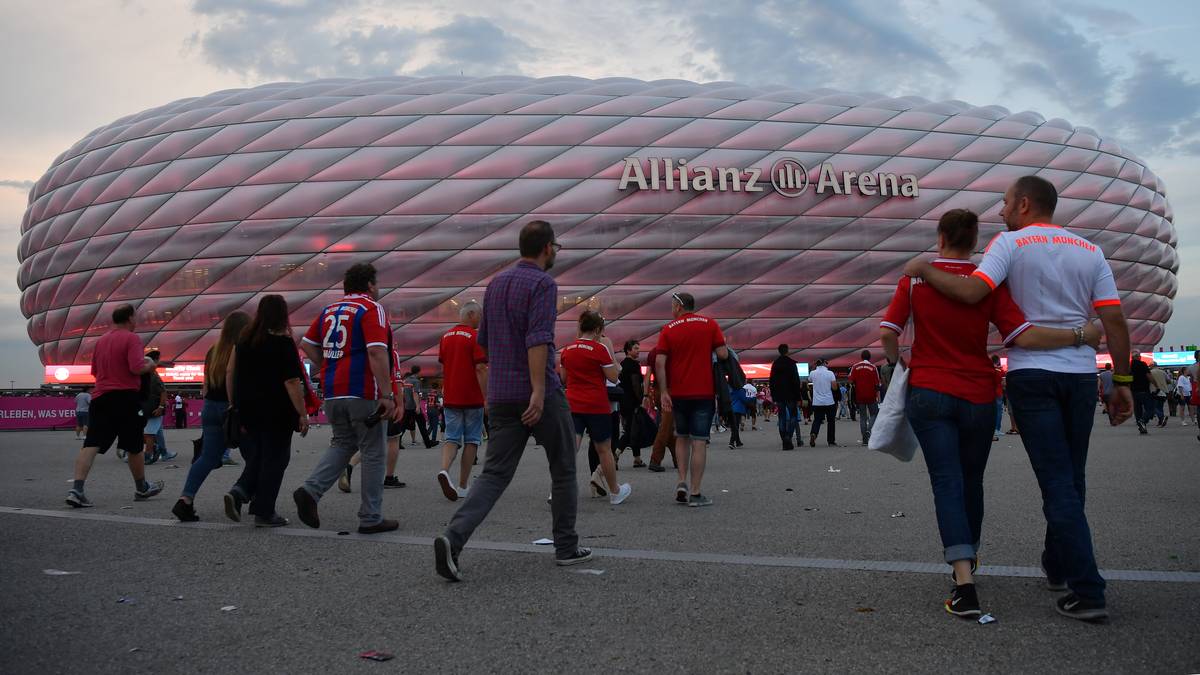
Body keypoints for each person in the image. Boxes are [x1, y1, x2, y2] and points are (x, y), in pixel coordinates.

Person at [903, 176, 1134, 622]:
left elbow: (972, 291)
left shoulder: (1008, 245)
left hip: (1033, 376)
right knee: (1071, 476)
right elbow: (1114, 320)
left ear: (1025, 204)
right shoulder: (1090, 250)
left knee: (1056, 482)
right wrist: (1121, 379)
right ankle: (1059, 563)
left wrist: (925, 268)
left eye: (1006, 203)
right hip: (1081, 377)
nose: (1001, 211)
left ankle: (1088, 591)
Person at [435, 220, 591, 582]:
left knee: (493, 475)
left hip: (502, 394)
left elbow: (485, 342)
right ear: (548, 248)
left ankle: (452, 539)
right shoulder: (542, 283)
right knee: (564, 467)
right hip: (539, 393)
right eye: (557, 247)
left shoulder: (496, 284)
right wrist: (538, 390)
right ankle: (566, 547)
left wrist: (494, 390)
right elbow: (538, 340)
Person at [294, 263, 400, 534]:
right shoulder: (371, 308)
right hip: (362, 390)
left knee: (342, 444)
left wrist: (330, 364)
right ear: (370, 285)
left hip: (333, 390)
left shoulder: (330, 310)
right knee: (374, 452)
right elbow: (377, 353)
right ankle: (370, 516)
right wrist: (387, 394)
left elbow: (306, 343)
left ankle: (311, 490)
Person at [221, 296, 308, 527]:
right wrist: (302, 412)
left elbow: (231, 373)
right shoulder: (283, 343)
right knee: (275, 459)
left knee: (260, 455)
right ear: (283, 315)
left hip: (249, 409)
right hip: (277, 411)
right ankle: (264, 512)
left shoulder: (244, 341)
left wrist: (233, 404)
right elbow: (291, 382)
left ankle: (240, 490)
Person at [66, 304, 165, 508]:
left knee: (91, 444)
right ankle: (141, 487)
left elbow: (94, 371)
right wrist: (151, 365)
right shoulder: (131, 338)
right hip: (126, 398)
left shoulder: (101, 341)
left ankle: (77, 489)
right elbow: (136, 367)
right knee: (134, 445)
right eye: (135, 317)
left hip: (101, 397)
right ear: (130, 318)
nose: (136, 321)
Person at [172, 310, 252, 522]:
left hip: (210, 407)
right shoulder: (242, 349)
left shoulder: (212, 351)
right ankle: (247, 496)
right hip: (233, 409)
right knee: (254, 457)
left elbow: (205, 386)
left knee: (207, 457)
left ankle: (185, 500)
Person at [655, 291, 730, 507]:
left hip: (678, 392)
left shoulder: (668, 329)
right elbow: (723, 354)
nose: (671, 310)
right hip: (703, 392)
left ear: (679, 306)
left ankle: (681, 481)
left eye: (672, 305)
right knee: (699, 441)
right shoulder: (710, 324)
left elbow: (660, 363)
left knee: (681, 437)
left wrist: (663, 391)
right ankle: (696, 493)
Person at [562, 311, 631, 504]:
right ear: (598, 329)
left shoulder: (567, 349)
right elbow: (613, 378)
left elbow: (563, 379)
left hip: (573, 404)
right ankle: (615, 492)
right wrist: (615, 366)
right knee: (604, 450)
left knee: (570, 449)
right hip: (596, 405)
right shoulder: (599, 349)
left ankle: (557, 490)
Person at [436, 301, 488, 501]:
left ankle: (444, 470)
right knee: (472, 440)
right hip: (472, 397)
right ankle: (463, 485)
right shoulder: (476, 337)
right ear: (472, 314)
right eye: (480, 316)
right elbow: (480, 368)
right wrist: (486, 397)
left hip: (451, 397)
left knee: (451, 437)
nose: (481, 320)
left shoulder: (445, 337)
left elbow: (445, 366)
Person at [139, 351, 175, 463]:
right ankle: (150, 454)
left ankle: (162, 452)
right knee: (150, 433)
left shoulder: (142, 374)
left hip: (145, 408)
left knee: (152, 431)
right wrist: (161, 406)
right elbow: (163, 391)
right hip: (153, 409)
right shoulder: (153, 375)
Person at [645, 344, 675, 472]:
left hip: (656, 390)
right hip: (669, 390)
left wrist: (646, 394)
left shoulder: (652, 352)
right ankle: (655, 459)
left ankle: (677, 458)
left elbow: (648, 375)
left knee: (669, 425)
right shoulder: (672, 351)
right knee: (666, 426)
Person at [617, 340, 646, 467]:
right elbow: (635, 385)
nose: (638, 350)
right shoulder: (634, 365)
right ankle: (615, 454)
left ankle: (637, 458)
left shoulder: (623, 364)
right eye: (635, 348)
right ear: (628, 350)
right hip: (632, 401)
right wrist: (641, 399)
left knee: (634, 429)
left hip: (623, 400)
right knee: (630, 430)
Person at [769, 344, 802, 450]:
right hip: (791, 395)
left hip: (779, 395)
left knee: (782, 417)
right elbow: (796, 381)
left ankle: (784, 440)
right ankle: (788, 436)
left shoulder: (775, 364)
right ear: (787, 351)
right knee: (793, 416)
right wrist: (798, 397)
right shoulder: (792, 364)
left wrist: (774, 396)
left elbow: (772, 381)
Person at [849, 350, 881, 445]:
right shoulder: (873, 367)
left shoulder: (855, 366)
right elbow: (877, 384)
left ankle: (864, 438)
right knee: (874, 414)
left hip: (860, 395)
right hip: (871, 395)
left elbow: (850, 380)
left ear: (861, 357)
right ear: (870, 357)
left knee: (863, 417)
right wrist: (878, 396)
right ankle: (869, 430)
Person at [402, 366, 437, 449]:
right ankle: (428, 443)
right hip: (414, 406)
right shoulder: (416, 381)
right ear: (418, 372)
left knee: (403, 425)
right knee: (422, 424)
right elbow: (415, 393)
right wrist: (418, 406)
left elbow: (403, 393)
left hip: (407, 406)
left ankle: (397, 441)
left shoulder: (406, 380)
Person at [808, 359, 837, 447]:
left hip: (817, 402)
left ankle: (814, 434)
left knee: (817, 420)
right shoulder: (830, 373)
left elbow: (809, 380)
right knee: (831, 421)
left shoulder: (813, 373)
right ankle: (830, 441)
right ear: (824, 363)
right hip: (829, 401)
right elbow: (834, 387)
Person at [1130, 353, 1152, 434]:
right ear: (1137, 357)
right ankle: (1142, 421)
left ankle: (1142, 427)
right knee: (1150, 409)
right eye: (1139, 356)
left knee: (1137, 410)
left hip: (1133, 391)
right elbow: (1148, 375)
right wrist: (1156, 385)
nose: (1140, 357)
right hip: (1144, 390)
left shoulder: (1128, 366)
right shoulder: (1143, 364)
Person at [728, 383, 749, 448]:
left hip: (731, 408)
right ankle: (731, 442)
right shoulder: (741, 390)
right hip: (738, 409)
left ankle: (738, 441)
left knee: (735, 425)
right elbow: (744, 399)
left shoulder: (730, 389)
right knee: (736, 426)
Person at [1149, 362, 1169, 428]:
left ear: (1152, 366)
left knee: (1153, 407)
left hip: (1154, 391)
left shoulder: (1150, 372)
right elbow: (1169, 381)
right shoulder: (1163, 372)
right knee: (1160, 407)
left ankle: (1162, 418)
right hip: (1164, 392)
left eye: (1150, 366)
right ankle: (1161, 422)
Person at [992, 356, 1005, 440]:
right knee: (999, 411)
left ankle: (992, 428)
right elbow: (1004, 383)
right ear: (998, 361)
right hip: (998, 392)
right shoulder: (1000, 371)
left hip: (990, 392)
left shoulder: (989, 370)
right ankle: (997, 428)